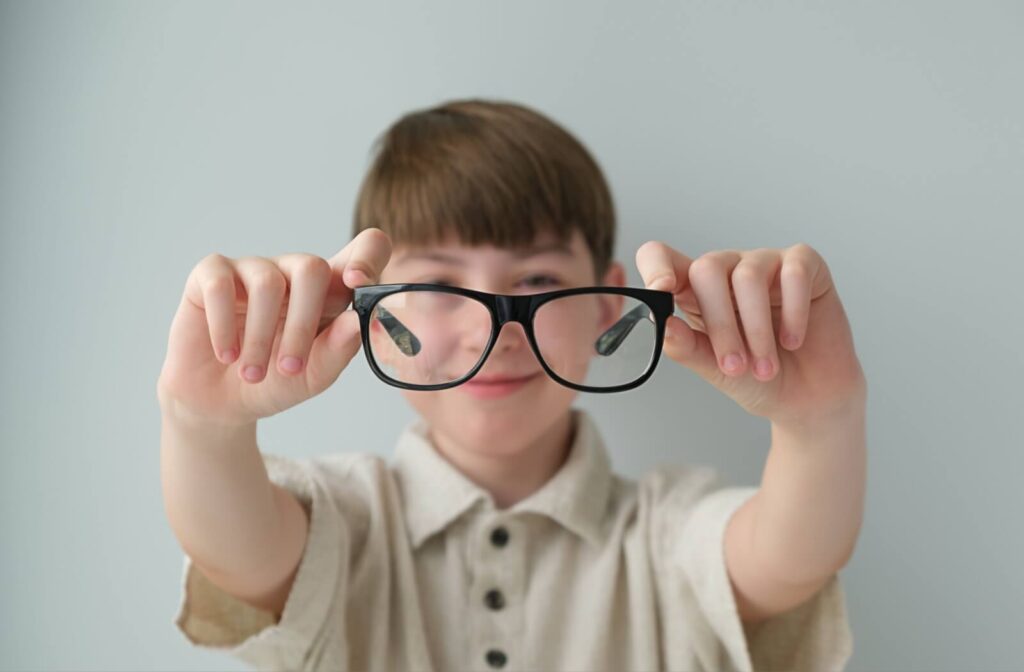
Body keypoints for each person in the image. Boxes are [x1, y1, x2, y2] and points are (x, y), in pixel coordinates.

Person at [158, 99, 866, 671]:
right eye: (438, 285)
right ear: (373, 311)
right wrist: (204, 426)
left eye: (536, 280)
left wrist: (821, 423)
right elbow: (237, 548)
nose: (494, 330)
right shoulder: (344, 522)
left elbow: (788, 556)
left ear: (607, 302)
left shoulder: (664, 533)